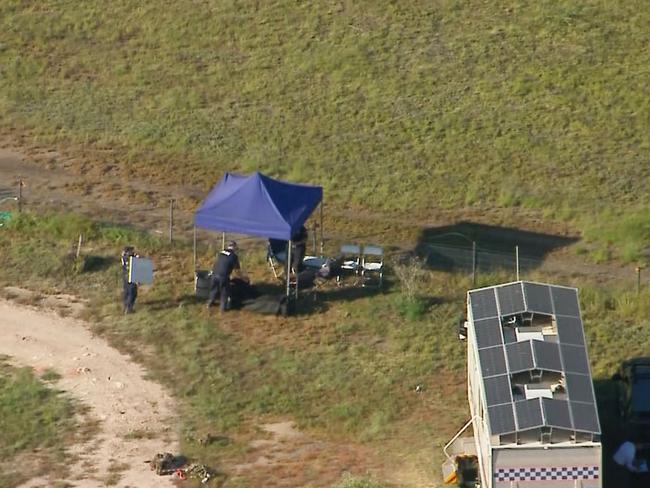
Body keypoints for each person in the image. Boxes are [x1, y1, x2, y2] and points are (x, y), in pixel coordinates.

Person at [208, 241, 243, 312]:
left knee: (214, 290)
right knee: (224, 292)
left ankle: (210, 303)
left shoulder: (221, 253)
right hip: (223, 276)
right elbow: (237, 271)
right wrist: (243, 278)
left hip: (214, 274)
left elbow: (217, 263)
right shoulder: (234, 256)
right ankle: (223, 308)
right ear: (234, 247)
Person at [121, 246, 138, 314]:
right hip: (131, 277)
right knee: (132, 293)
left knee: (126, 292)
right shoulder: (131, 258)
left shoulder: (124, 257)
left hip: (125, 277)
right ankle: (129, 307)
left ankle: (125, 305)